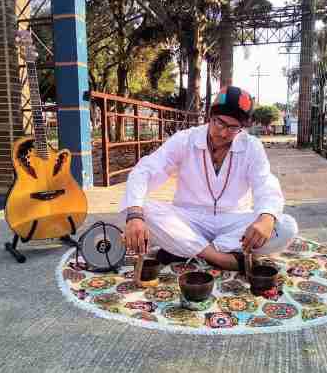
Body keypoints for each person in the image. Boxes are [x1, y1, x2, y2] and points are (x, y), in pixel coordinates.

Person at [120, 86, 298, 272]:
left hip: (233, 221)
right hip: (189, 218)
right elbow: (145, 170)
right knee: (141, 210)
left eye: (232, 127)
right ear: (210, 117)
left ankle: (184, 249)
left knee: (286, 226)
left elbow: (265, 184)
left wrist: (266, 218)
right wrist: (135, 215)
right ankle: (221, 258)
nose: (223, 133)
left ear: (242, 127)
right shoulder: (185, 140)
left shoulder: (251, 147)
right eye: (219, 122)